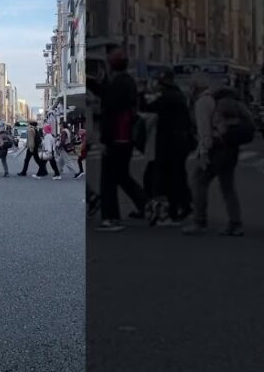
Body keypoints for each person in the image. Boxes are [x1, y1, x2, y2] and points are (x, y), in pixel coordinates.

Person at [183, 73, 245, 236]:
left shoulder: (203, 102)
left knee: (198, 180)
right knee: (228, 186)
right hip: (231, 146)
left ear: (195, 87)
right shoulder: (218, 99)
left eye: (190, 85)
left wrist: (203, 153)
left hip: (217, 148)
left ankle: (200, 221)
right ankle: (235, 223)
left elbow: (205, 132)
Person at [96, 50, 148, 231]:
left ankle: (111, 218)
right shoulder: (128, 82)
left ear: (110, 66)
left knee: (108, 179)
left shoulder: (116, 84)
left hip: (116, 136)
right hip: (126, 137)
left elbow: (109, 113)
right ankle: (146, 205)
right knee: (122, 175)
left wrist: (104, 140)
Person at [140, 69, 194, 224]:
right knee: (178, 175)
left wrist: (141, 93)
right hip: (180, 141)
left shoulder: (168, 97)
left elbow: (147, 107)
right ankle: (184, 205)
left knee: (168, 177)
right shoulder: (178, 95)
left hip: (170, 143)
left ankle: (174, 209)